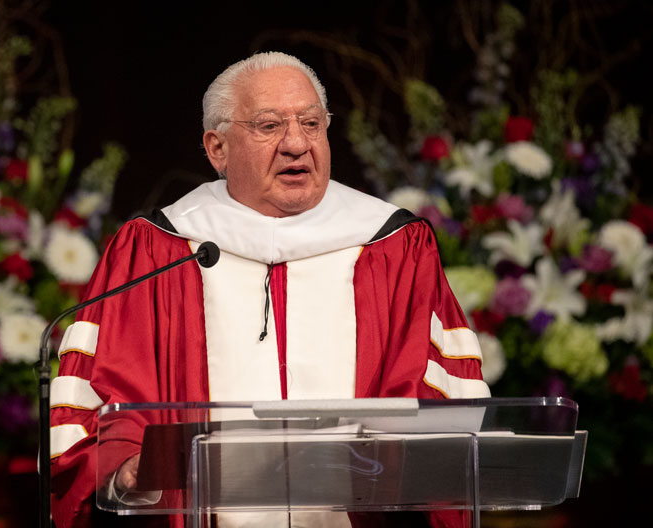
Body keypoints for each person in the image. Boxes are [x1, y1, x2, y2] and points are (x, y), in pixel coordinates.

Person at [49, 52, 490, 528]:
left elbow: (439, 404)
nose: (296, 144)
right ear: (217, 148)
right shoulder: (160, 249)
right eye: (268, 125)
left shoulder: (394, 245)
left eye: (311, 123)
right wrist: (127, 467)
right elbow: (112, 395)